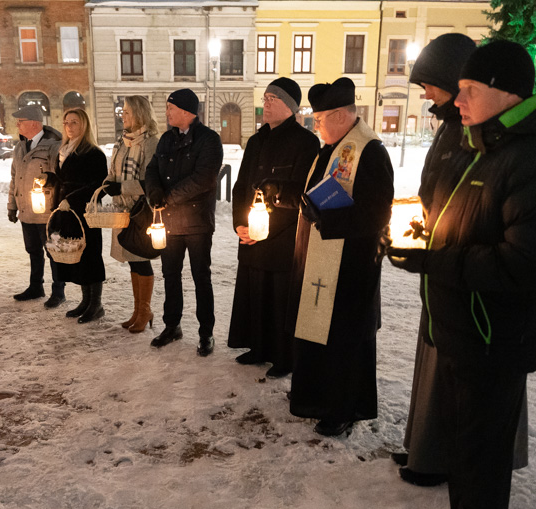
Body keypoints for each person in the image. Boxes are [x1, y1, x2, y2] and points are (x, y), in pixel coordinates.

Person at [386, 41, 536, 509]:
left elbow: (525, 268)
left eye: (470, 91)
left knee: (484, 458)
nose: (457, 101)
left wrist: (434, 259)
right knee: (462, 448)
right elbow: (455, 217)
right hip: (457, 326)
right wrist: (418, 238)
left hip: (497, 338)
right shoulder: (482, 144)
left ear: (506, 92)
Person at [287, 78, 394, 437]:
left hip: (350, 266)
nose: (315, 127)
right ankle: (315, 397)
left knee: (343, 338)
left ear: (339, 116)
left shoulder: (370, 152)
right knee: (317, 332)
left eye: (318, 120)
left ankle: (343, 407)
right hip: (319, 256)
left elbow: (376, 214)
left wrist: (327, 219)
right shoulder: (328, 149)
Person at [228, 78, 319, 378]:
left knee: (280, 298)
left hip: (282, 236)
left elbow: (300, 194)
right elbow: (241, 187)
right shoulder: (256, 141)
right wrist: (241, 224)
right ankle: (258, 347)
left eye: (272, 98)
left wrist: (263, 230)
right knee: (255, 294)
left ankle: (283, 356)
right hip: (252, 233)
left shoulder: (306, 143)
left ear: (290, 107)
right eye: (265, 97)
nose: (265, 102)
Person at [145, 89, 223, 356]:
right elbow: (152, 169)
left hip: (197, 223)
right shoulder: (166, 139)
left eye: (171, 108)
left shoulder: (209, 140)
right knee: (170, 275)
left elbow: (204, 179)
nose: (166, 112)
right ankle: (172, 325)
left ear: (188, 112)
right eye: (167, 107)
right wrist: (153, 191)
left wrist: (167, 197)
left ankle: (206, 332)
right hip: (169, 223)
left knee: (201, 277)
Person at [100, 96, 160, 333]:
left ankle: (145, 310)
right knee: (132, 261)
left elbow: (149, 181)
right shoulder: (122, 142)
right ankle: (139, 310)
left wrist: (121, 188)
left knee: (141, 258)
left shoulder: (150, 143)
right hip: (122, 210)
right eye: (121, 111)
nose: (122, 115)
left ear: (140, 114)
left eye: (126, 111)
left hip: (140, 212)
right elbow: (114, 171)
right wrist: (107, 184)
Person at [50, 108, 108, 323]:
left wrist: (72, 199)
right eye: (66, 122)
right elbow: (62, 179)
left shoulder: (93, 153)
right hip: (66, 211)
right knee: (78, 253)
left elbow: (97, 185)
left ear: (84, 124)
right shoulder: (64, 149)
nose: (69, 126)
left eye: (74, 122)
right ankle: (85, 301)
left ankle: (96, 304)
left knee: (91, 254)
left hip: (85, 212)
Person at [6, 104, 65, 308]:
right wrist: (12, 205)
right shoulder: (20, 146)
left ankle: (58, 291)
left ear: (34, 123)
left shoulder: (54, 146)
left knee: (53, 251)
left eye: (20, 121)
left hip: (45, 211)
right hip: (26, 210)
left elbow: (60, 177)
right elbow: (14, 178)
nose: (17, 124)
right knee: (33, 250)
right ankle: (36, 286)